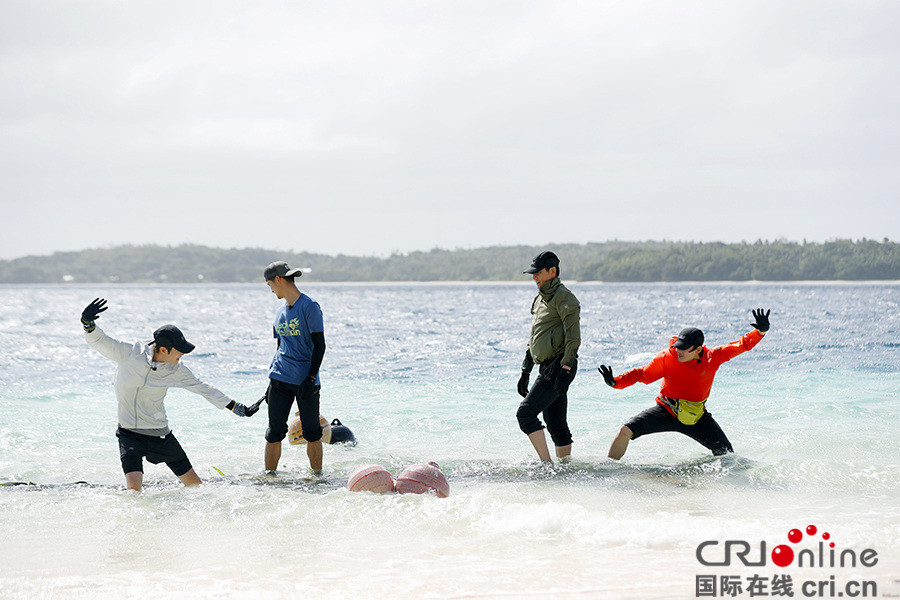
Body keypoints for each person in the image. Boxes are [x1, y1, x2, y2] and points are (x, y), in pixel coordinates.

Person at [80, 298, 257, 491]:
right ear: (163, 349)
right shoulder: (131, 353)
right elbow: (101, 341)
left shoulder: (176, 369)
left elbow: (203, 387)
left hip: (160, 435)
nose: (183, 355)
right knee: (133, 491)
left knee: (197, 487)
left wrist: (236, 407)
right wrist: (88, 324)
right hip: (129, 433)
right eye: (180, 350)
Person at [599, 309, 771, 460]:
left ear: (698, 349)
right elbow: (642, 374)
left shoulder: (713, 357)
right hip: (665, 411)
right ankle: (609, 470)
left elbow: (742, 345)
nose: (678, 351)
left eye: (684, 348)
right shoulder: (667, 357)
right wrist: (616, 382)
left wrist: (761, 331)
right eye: (678, 346)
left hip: (697, 416)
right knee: (625, 431)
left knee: (727, 454)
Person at [516, 251, 581, 463]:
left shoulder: (565, 297)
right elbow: (534, 335)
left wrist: (565, 369)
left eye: (538, 272)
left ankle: (547, 465)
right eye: (532, 273)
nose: (534, 277)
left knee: (525, 413)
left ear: (552, 271)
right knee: (556, 423)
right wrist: (525, 370)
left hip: (559, 365)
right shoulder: (539, 299)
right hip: (545, 366)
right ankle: (565, 469)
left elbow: (573, 338)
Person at [263, 261, 327, 475]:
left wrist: (310, 378)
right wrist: (270, 384)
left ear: (278, 280)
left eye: (270, 284)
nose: (271, 290)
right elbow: (280, 346)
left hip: (304, 380)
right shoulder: (279, 312)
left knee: (312, 433)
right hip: (279, 378)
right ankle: (269, 478)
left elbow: (320, 345)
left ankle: (317, 477)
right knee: (274, 432)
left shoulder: (309, 306)